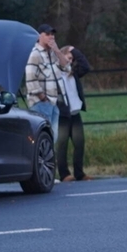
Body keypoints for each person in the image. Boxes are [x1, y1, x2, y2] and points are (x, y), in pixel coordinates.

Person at [25, 23, 70, 139]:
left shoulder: (53, 54)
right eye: (47, 34)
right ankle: (41, 158)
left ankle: (50, 157)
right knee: (42, 137)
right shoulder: (35, 54)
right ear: (40, 36)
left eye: (53, 35)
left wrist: (57, 51)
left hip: (54, 103)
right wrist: (42, 97)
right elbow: (30, 77)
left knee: (52, 138)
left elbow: (66, 67)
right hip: (41, 103)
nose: (51, 37)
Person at [56, 45, 91, 182]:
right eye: (68, 58)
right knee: (62, 143)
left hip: (75, 112)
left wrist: (74, 50)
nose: (70, 61)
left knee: (79, 142)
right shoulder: (57, 73)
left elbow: (85, 66)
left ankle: (79, 172)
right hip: (63, 113)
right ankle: (64, 173)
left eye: (72, 59)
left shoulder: (73, 72)